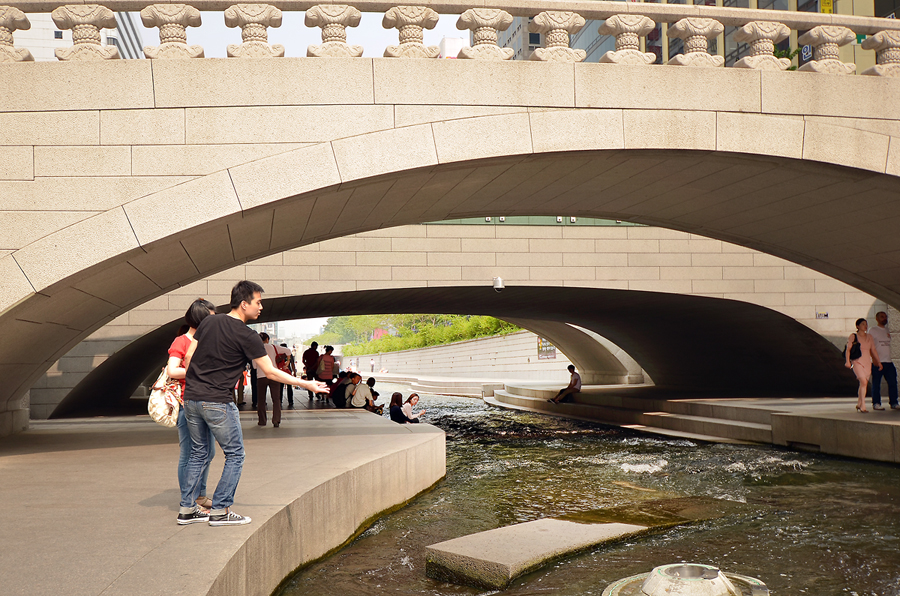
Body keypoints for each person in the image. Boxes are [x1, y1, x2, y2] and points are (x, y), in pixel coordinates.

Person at [177, 280, 329, 526]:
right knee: (235, 454)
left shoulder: (207, 323)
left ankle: (187, 509)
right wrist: (307, 384)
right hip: (217, 401)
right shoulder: (247, 335)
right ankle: (220, 511)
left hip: (192, 398)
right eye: (258, 302)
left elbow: (189, 356)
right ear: (244, 303)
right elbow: (270, 372)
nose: (261, 307)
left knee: (197, 453)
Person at [166, 298, 217, 511]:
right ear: (201, 319)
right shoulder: (182, 341)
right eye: (211, 318)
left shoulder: (207, 341)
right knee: (190, 453)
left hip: (207, 402)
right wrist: (198, 372)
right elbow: (172, 370)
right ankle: (190, 499)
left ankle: (199, 495)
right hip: (188, 404)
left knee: (208, 452)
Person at [253, 333, 292, 427]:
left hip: (261, 377)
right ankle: (276, 420)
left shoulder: (255, 349)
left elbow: (254, 366)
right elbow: (288, 351)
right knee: (276, 399)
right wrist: (287, 362)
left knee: (261, 400)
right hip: (274, 376)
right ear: (267, 339)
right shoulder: (274, 347)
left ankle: (262, 421)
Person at [845, 318, 882, 413]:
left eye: (866, 324)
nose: (865, 326)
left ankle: (859, 403)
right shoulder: (853, 336)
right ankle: (863, 406)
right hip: (857, 361)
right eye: (863, 324)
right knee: (863, 381)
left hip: (867, 362)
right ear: (857, 326)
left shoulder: (869, 337)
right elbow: (848, 349)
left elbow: (873, 350)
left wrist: (878, 362)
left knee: (863, 383)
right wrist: (847, 361)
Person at [869, 311, 898, 410]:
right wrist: (874, 359)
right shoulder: (873, 330)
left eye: (885, 317)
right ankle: (876, 403)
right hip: (878, 362)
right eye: (882, 317)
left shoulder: (887, 330)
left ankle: (894, 402)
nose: (884, 318)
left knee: (893, 383)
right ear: (877, 319)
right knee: (876, 384)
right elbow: (870, 346)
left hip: (888, 362)